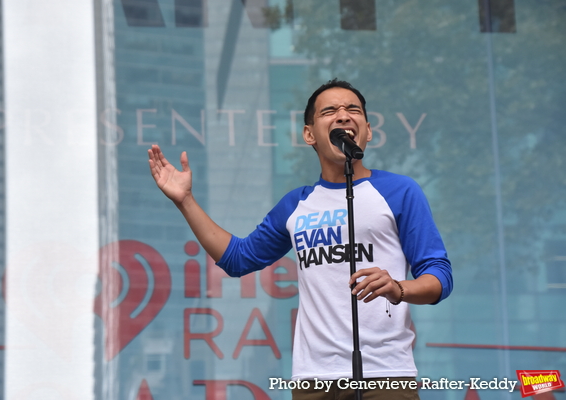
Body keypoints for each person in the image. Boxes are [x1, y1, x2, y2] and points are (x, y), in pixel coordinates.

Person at [148, 79, 452, 400]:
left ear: (368, 129)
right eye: (330, 111)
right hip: (313, 380)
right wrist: (185, 200)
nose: (344, 116)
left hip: (384, 373)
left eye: (353, 110)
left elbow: (440, 278)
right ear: (310, 135)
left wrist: (398, 288)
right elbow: (238, 258)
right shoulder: (297, 204)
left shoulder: (400, 191)